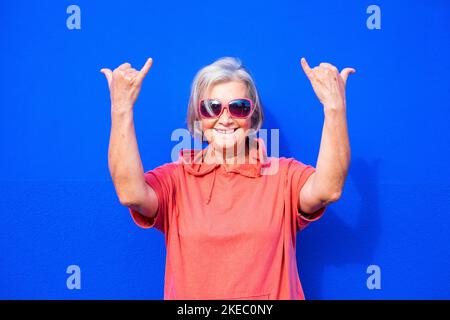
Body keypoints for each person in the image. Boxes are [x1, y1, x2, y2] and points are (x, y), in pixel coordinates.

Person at [100, 56, 355, 300]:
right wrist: (121, 109)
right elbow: (130, 193)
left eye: (239, 107)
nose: (225, 118)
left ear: (253, 117)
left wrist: (334, 107)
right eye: (211, 108)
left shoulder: (283, 176)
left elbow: (328, 190)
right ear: (198, 117)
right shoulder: (176, 179)